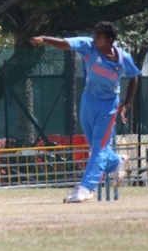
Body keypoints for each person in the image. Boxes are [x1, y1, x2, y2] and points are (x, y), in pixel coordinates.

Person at [29, 21, 140, 203]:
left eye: (99, 36)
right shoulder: (88, 46)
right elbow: (65, 43)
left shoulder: (123, 58)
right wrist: (44, 39)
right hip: (88, 101)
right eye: (95, 34)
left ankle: (86, 188)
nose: (95, 38)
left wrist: (126, 105)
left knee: (98, 148)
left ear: (109, 40)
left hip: (109, 106)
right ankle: (115, 162)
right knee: (97, 148)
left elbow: (134, 78)